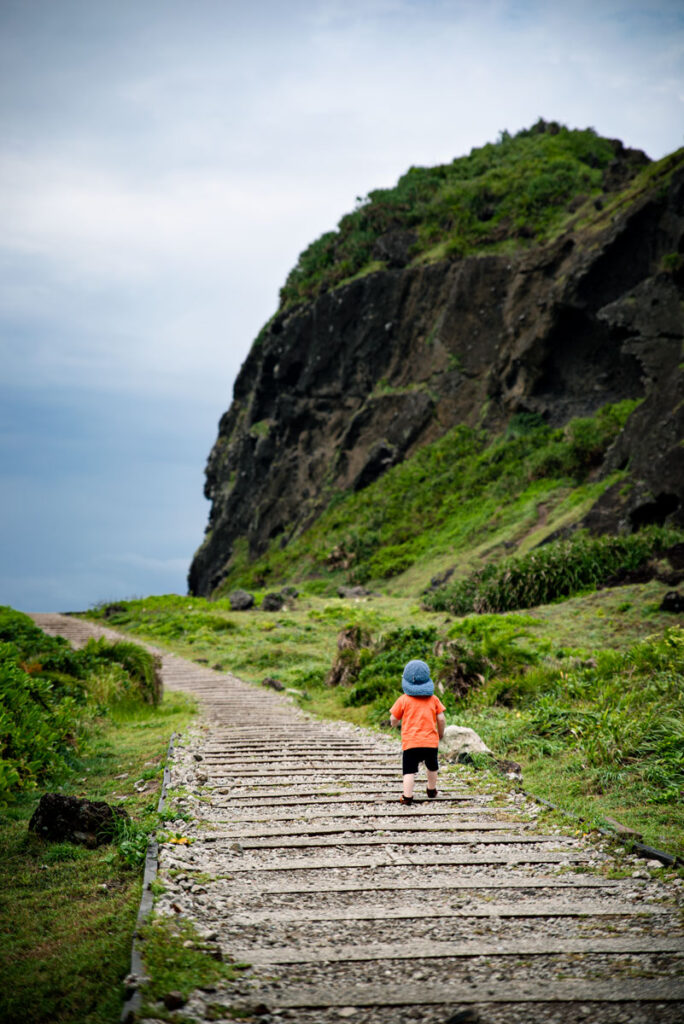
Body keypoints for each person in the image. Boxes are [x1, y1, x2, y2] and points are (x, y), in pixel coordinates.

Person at [390, 659, 446, 805]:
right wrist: (440, 733)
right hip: (430, 742)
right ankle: (431, 790)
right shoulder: (434, 699)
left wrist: (394, 724)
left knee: (409, 771)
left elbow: (393, 718)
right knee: (432, 767)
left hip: (411, 743)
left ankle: (407, 796)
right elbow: (441, 718)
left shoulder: (403, 700)